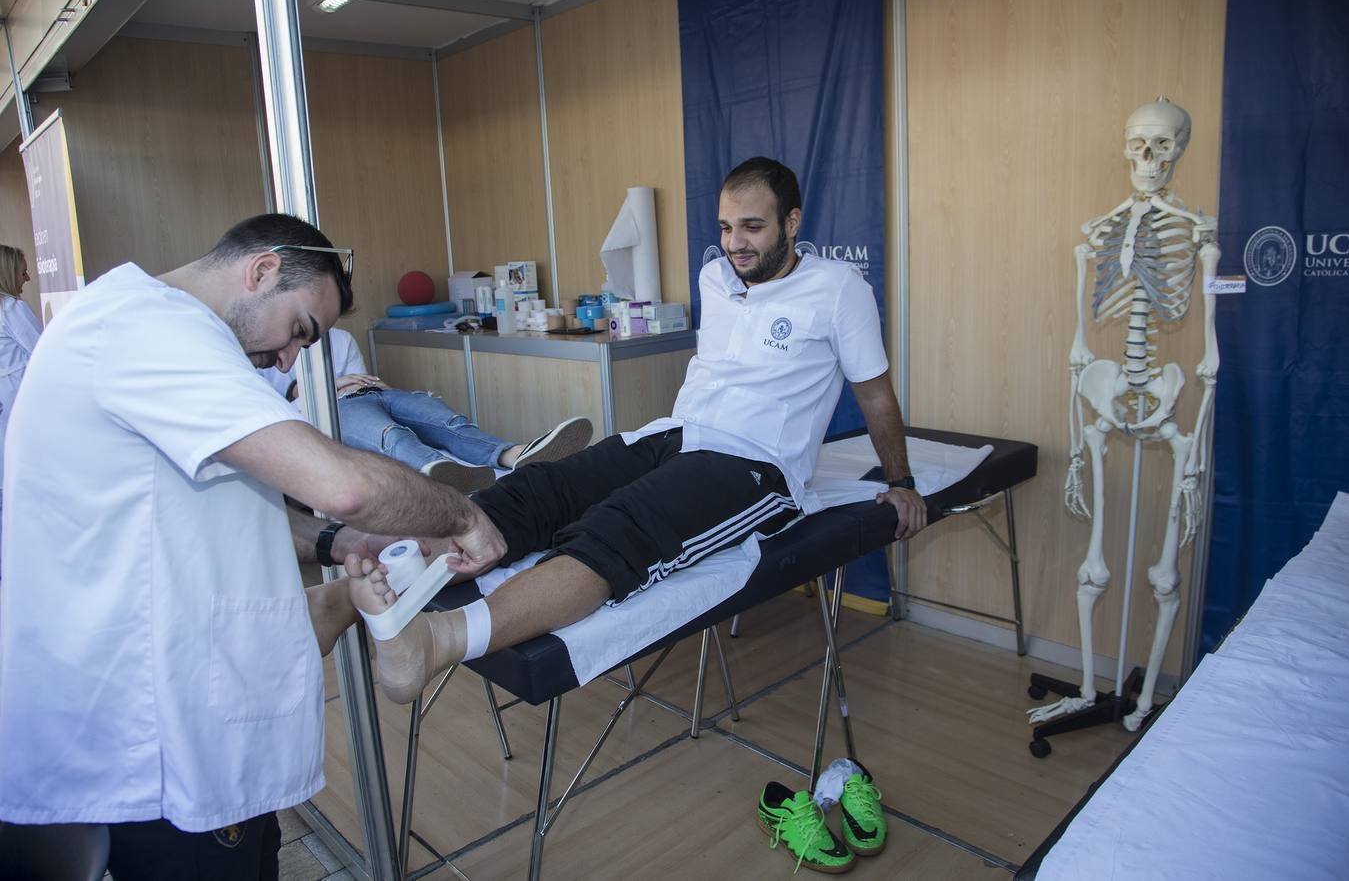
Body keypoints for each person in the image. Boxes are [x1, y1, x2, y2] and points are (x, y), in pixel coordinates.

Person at [0, 214, 506, 879]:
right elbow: (341, 483)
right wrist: (461, 514)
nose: (291, 358)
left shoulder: (155, 330)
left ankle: (327, 608)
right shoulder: (145, 329)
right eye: (300, 330)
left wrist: (340, 539)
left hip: (166, 709)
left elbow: (209, 505)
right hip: (147, 736)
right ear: (262, 270)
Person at [347, 156, 928, 702]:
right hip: (673, 434)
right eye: (726, 227)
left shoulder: (838, 290)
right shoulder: (716, 278)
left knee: (617, 529)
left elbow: (874, 393)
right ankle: (376, 584)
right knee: (540, 490)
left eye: (751, 227)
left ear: (792, 222)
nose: (734, 243)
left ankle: (436, 639)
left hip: (755, 465)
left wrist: (900, 480)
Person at [261, 327, 592, 492]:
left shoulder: (341, 338)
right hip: (335, 409)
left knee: (447, 421)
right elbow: (277, 406)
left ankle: (516, 454)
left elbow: (363, 379)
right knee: (391, 435)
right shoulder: (269, 347)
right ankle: (440, 469)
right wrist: (326, 386)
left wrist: (351, 384)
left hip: (376, 392)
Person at [0, 244, 41, 569]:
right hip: (15, 400)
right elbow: (43, 352)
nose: (27, 278)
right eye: (22, 271)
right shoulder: (11, 309)